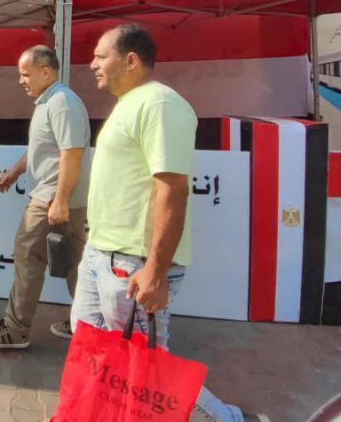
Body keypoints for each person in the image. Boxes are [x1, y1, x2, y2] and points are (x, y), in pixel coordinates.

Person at [71, 23, 267, 422]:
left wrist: (156, 271)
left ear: (130, 60)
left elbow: (173, 190)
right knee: (93, 347)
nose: (92, 64)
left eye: (100, 56)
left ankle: (226, 419)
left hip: (133, 264)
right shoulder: (129, 103)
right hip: (102, 255)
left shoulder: (160, 104)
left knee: (145, 368)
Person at [0, 45, 91, 349]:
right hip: (61, 199)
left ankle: (15, 329)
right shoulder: (49, 102)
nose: (21, 81)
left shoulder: (62, 103)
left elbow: (71, 154)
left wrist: (60, 201)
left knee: (28, 255)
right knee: (77, 264)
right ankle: (87, 323)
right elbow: (43, 149)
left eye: (25, 74)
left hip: (52, 199)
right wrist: (14, 172)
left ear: (46, 71)